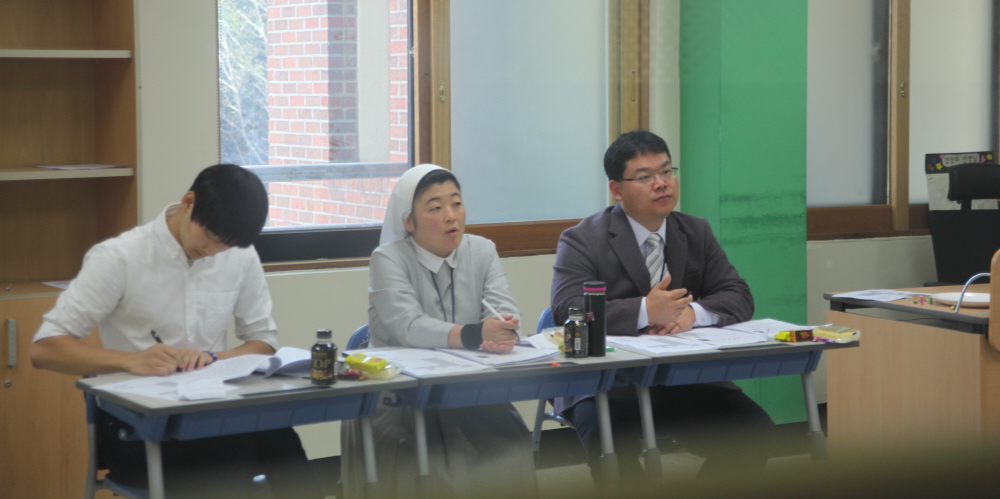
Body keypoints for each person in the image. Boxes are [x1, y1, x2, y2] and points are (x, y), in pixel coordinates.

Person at [30, 164, 323, 499]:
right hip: (136, 426)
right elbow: (44, 349)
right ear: (188, 202)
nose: (213, 251)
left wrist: (214, 358)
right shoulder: (119, 258)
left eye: (225, 245)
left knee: (278, 436)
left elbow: (263, 342)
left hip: (210, 411)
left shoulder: (239, 255)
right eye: (209, 236)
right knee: (237, 452)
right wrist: (130, 360)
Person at [550, 130, 774, 483]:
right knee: (613, 457)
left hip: (683, 379)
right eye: (645, 177)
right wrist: (644, 311)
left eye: (667, 171)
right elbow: (567, 308)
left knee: (754, 433)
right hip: (607, 384)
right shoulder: (583, 239)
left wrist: (691, 315)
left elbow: (737, 293)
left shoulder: (695, 231)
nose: (661, 183)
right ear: (617, 190)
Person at [340, 164, 538, 498]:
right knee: (427, 471)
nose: (451, 216)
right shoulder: (388, 258)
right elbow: (407, 326)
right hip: (401, 398)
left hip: (471, 391)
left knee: (512, 451)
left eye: (456, 203)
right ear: (408, 221)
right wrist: (475, 334)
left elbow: (505, 308)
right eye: (435, 208)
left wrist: (505, 333)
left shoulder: (482, 250)